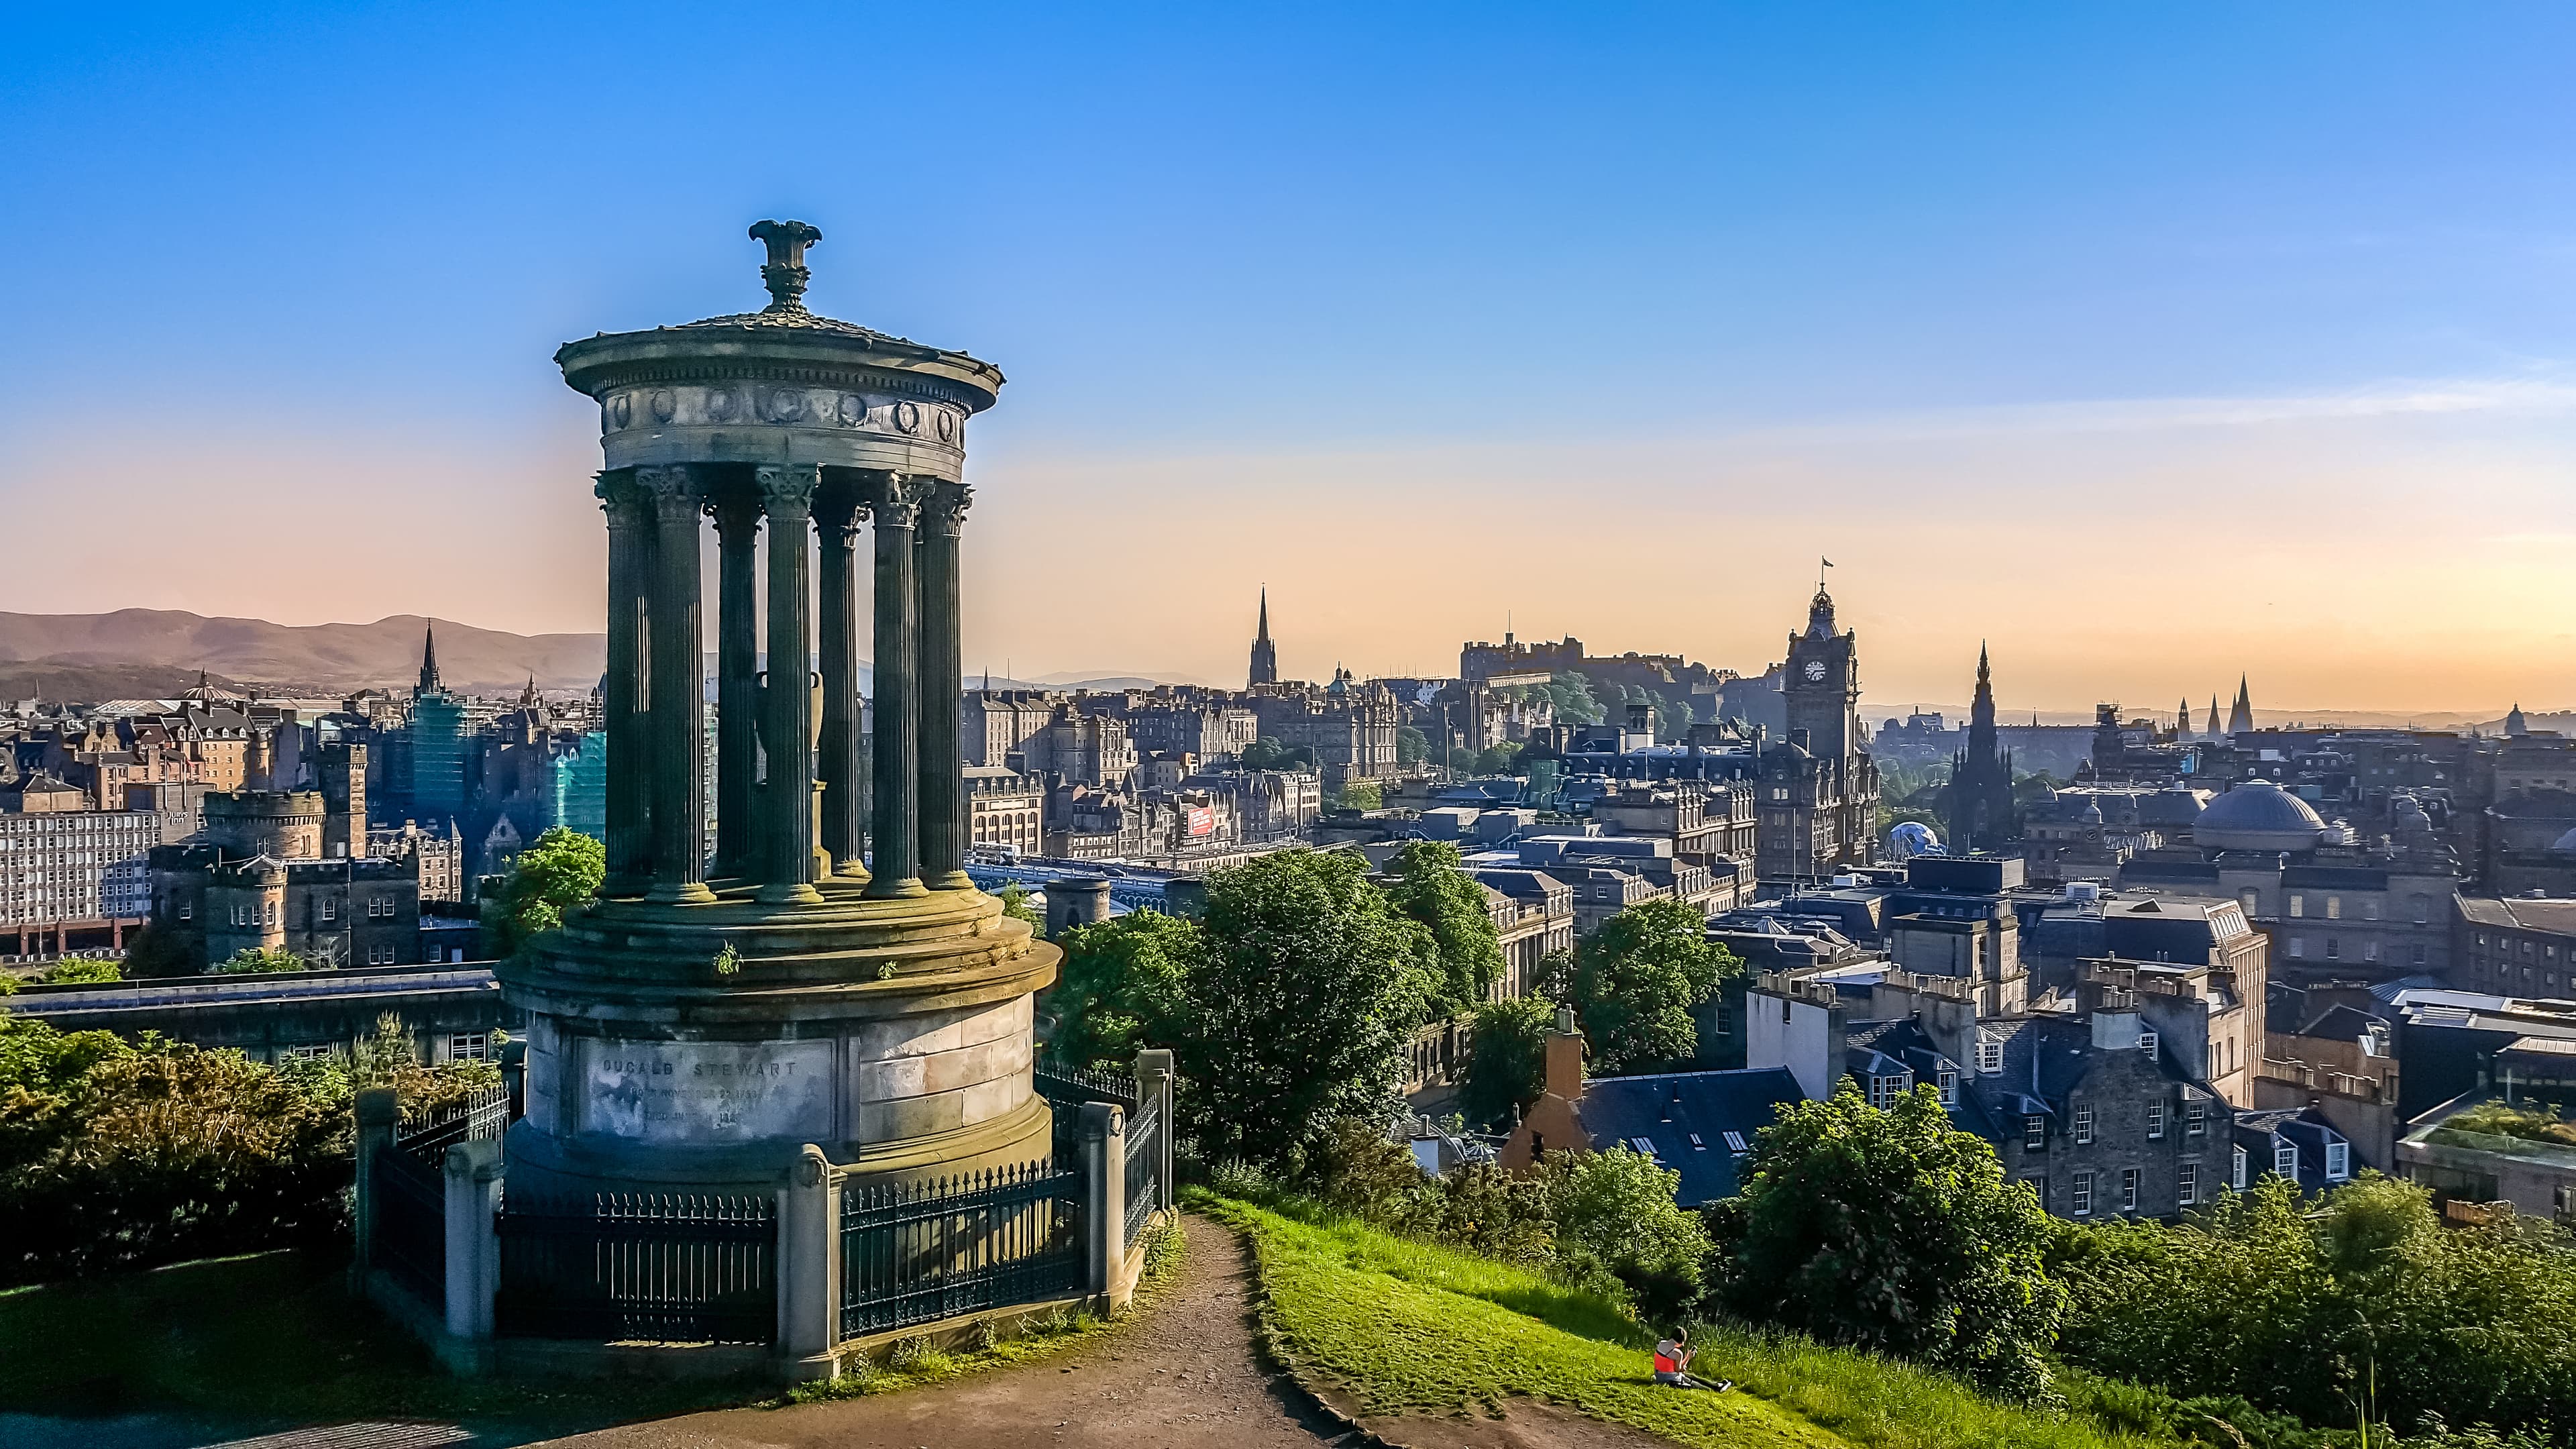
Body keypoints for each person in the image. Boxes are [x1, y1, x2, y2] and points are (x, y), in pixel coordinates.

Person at [1651, 1328, 1731, 1392]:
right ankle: (1715, 1389)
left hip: (1659, 1376)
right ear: (1682, 1341)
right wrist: (1688, 1358)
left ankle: (1717, 1385)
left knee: (1691, 1376)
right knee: (1692, 1381)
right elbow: (1679, 1369)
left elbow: (1672, 1366)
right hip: (1669, 1379)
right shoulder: (1678, 1353)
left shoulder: (1661, 1343)